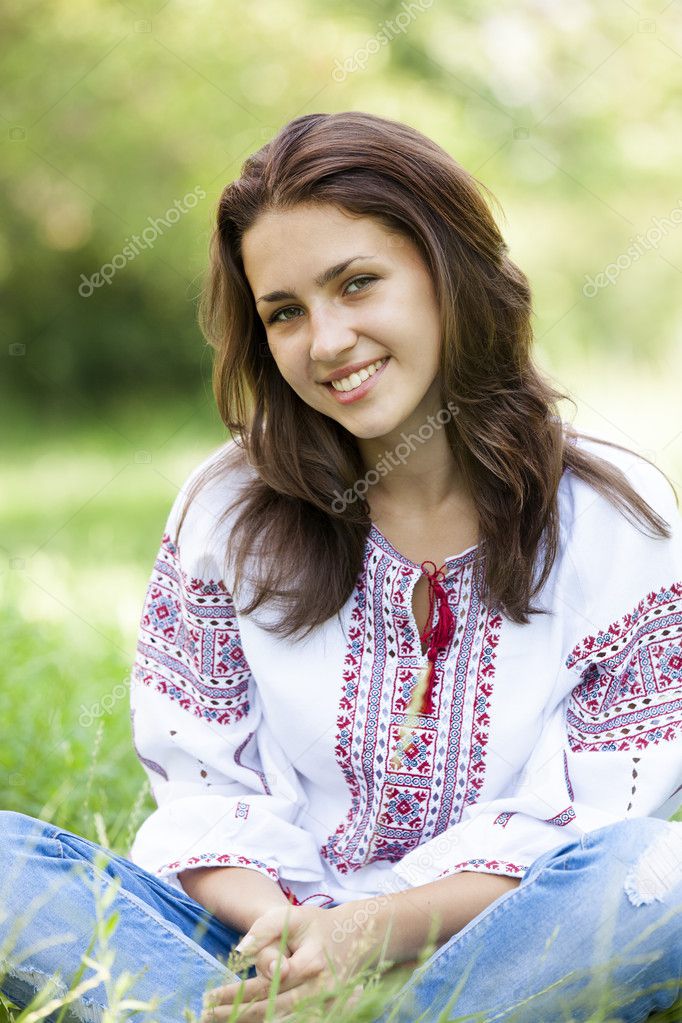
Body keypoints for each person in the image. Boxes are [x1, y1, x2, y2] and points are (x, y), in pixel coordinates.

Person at [1, 110, 681, 1023]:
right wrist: (296, 938)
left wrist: (370, 936)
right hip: (254, 947)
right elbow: (204, 783)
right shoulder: (229, 507)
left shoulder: (611, 516)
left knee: (658, 873)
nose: (325, 343)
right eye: (285, 312)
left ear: (449, 272)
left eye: (357, 284)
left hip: (501, 948)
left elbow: (602, 818)